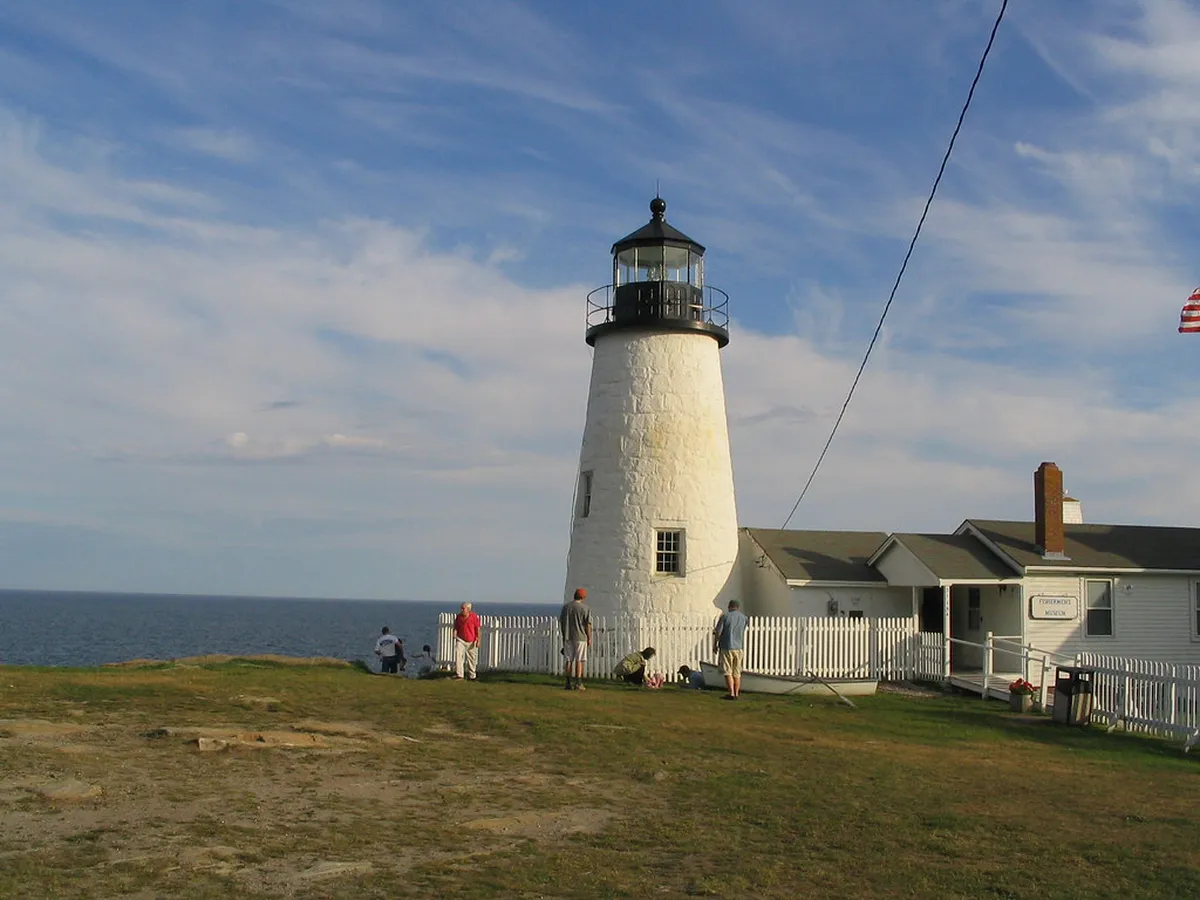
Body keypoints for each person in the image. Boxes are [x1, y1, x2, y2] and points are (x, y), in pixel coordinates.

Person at [712, 598, 748, 699]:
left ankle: (731, 693)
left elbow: (718, 632)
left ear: (729, 606)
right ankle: (736, 693)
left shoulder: (725, 617)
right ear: (738, 607)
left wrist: (715, 645)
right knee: (737, 672)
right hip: (739, 647)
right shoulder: (744, 618)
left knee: (728, 671)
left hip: (727, 646)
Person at [559, 587, 592, 691]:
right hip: (580, 637)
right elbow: (587, 625)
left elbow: (562, 622)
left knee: (568, 660)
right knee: (579, 660)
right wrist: (589, 637)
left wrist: (564, 636)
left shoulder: (566, 607)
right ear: (583, 597)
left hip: (568, 637)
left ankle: (568, 683)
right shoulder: (585, 608)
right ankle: (578, 683)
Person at [453, 602, 481, 680]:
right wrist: (454, 633)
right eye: (461, 608)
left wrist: (478, 640)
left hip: (471, 640)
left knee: (472, 658)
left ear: (468, 609)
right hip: (461, 639)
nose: (461, 610)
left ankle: (472, 676)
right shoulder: (458, 617)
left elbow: (478, 629)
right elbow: (456, 626)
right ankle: (460, 675)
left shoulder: (474, 617)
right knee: (458, 656)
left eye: (463, 608)